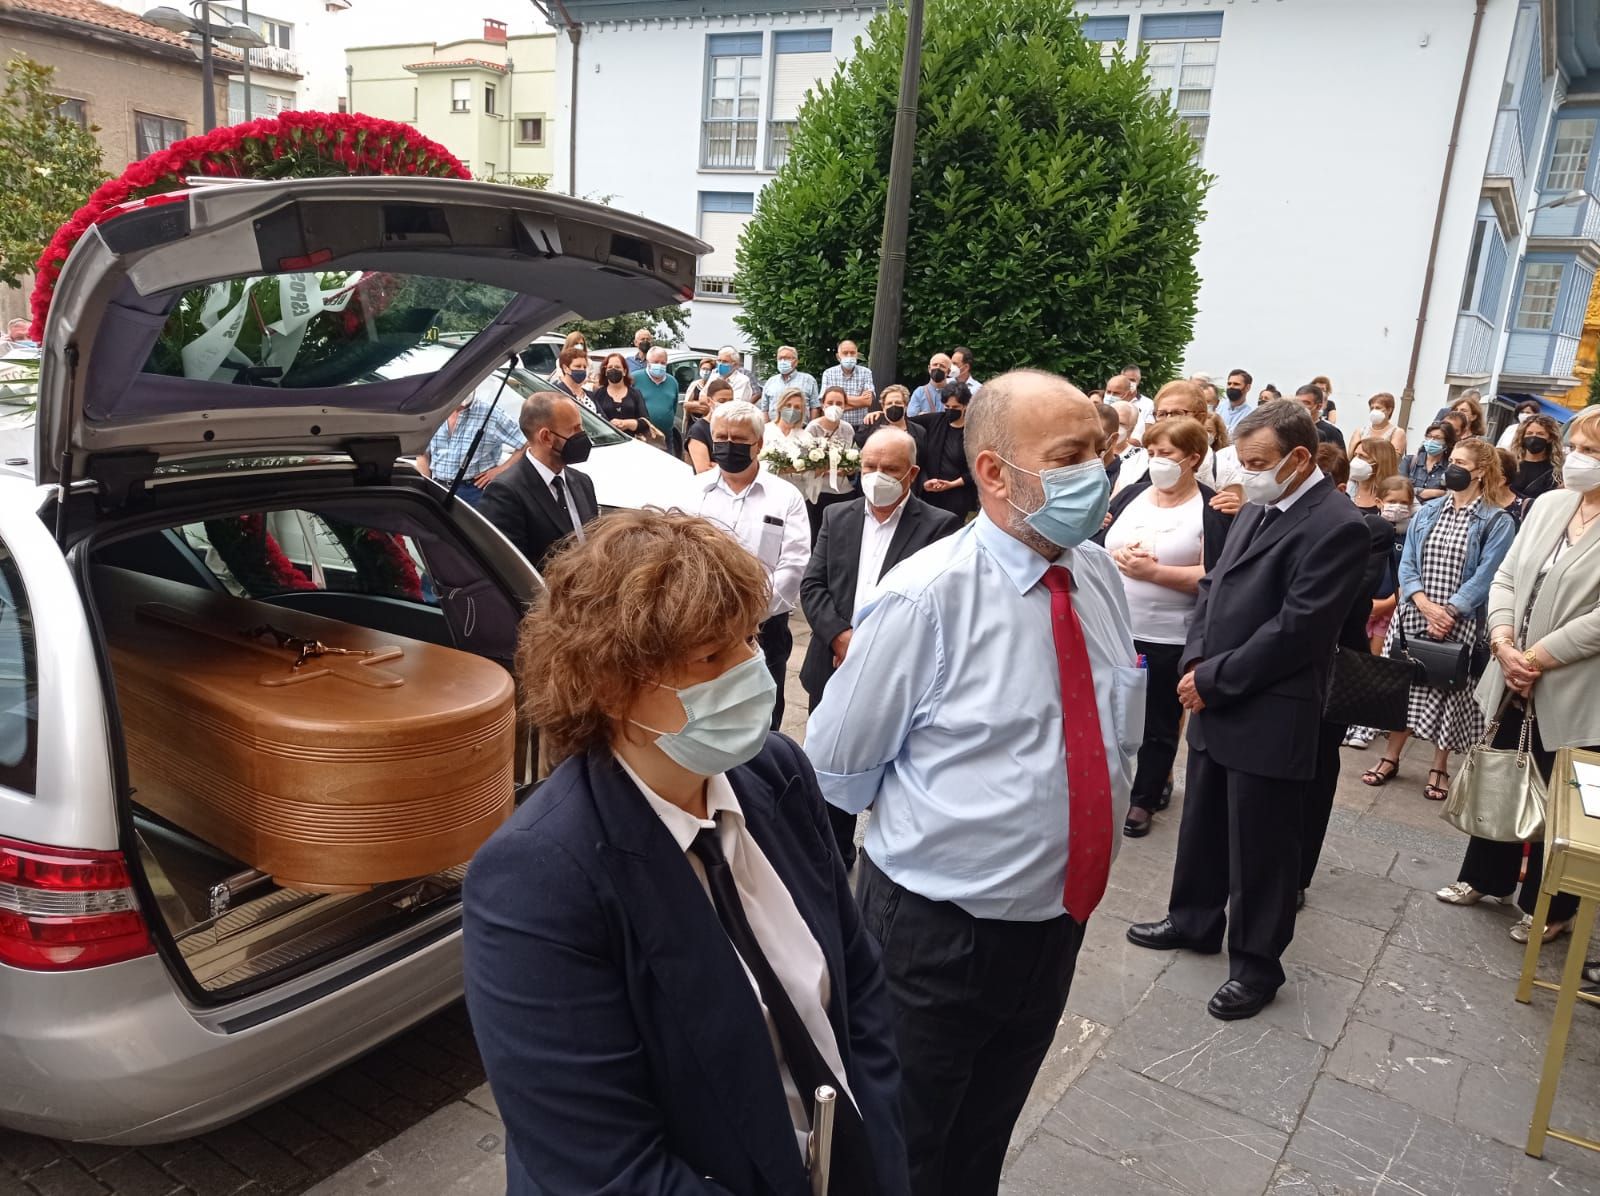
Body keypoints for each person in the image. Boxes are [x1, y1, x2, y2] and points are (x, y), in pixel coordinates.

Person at [464, 510, 911, 1196]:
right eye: (711, 656)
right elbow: (603, 1167)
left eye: (748, 639)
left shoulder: (776, 772)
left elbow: (856, 983)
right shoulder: (540, 877)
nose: (750, 668)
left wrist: (876, 1149)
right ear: (611, 685)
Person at [806, 370, 1143, 1196]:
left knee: (979, 1146)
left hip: (1053, 927)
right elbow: (840, 767)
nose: (1094, 475)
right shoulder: (924, 599)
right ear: (993, 472)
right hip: (932, 939)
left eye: (1098, 453)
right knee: (900, 1156)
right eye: (1068, 458)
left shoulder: (1095, 576)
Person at [1127, 402, 1369, 1021]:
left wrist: (1215, 679)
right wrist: (1194, 662)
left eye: (1259, 464)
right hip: (1212, 689)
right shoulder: (1261, 503)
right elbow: (1216, 586)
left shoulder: (1337, 524)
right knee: (1203, 819)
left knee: (1262, 845)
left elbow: (1299, 630)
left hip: (1269, 706)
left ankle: (1258, 964)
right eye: (1244, 462)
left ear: (1298, 458)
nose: (1249, 475)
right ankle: (1194, 919)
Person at [1438, 406, 1600, 945]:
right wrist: (1504, 643)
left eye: (1593, 452)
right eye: (1575, 446)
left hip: (1572, 688)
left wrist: (1537, 658)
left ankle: (1552, 906)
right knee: (1503, 772)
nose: (1578, 459)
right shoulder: (1552, 504)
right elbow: (1507, 576)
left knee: (1559, 796)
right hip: (1512, 669)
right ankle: (1484, 877)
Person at [799, 428, 959, 867]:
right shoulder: (838, 516)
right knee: (829, 762)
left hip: (896, 670)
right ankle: (832, 851)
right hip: (833, 662)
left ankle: (887, 852)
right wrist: (840, 636)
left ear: (911, 474)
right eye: (869, 466)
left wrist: (871, 645)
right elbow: (813, 585)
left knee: (889, 761)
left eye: (889, 469)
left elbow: (938, 601)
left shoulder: (939, 526)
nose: (876, 476)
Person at [1097, 416, 1232, 839]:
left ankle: (1143, 797)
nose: (1157, 462)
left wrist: (1154, 572)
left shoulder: (1210, 507)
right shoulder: (1134, 492)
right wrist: (1117, 552)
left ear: (1192, 458)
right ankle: (1102, 787)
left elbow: (1216, 574)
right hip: (1112, 625)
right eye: (1152, 453)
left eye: (1167, 454)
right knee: (1103, 713)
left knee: (1157, 721)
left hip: (1168, 634)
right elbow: (1101, 541)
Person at [1361, 438, 1517, 801]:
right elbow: (1408, 561)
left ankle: (1439, 766)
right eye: (1453, 460)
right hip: (1414, 612)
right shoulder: (1428, 510)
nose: (1453, 468)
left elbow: (1488, 574)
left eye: (1462, 462)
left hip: (1459, 620)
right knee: (1403, 685)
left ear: (1480, 471)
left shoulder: (1496, 520)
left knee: (1449, 689)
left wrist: (1448, 611)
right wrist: (1422, 603)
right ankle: (1390, 757)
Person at [678, 401, 811, 731]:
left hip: (764, 627)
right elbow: (675, 553)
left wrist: (750, 615)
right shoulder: (692, 492)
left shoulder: (784, 496)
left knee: (763, 716)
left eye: (739, 439)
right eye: (721, 437)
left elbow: (793, 563)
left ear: (759, 444)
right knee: (703, 713)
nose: (728, 446)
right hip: (700, 624)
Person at [1302, 447, 1396, 894]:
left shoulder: (1367, 529)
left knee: (1317, 771)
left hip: (1332, 668)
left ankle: (1298, 874)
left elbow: (1351, 594)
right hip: (1281, 674)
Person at [478, 393, 599, 572]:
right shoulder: (506, 492)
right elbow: (511, 570)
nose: (582, 436)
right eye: (575, 429)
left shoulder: (582, 482)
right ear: (546, 437)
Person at [415, 375, 526, 506]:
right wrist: (425, 486)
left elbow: (526, 444)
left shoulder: (491, 414)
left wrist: (501, 470)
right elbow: (422, 453)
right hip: (437, 487)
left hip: (473, 491)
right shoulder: (433, 413)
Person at [907, 382, 975, 522]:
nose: (950, 410)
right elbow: (904, 422)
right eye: (947, 407)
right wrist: (879, 414)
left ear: (966, 405)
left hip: (958, 495)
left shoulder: (974, 431)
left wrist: (953, 484)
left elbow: (975, 468)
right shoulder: (935, 420)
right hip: (930, 492)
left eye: (955, 407)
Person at [805, 387, 860, 537]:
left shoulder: (847, 429)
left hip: (843, 491)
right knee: (816, 534)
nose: (834, 406)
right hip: (819, 491)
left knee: (840, 535)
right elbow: (807, 461)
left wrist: (850, 469)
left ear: (844, 406)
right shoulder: (813, 428)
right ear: (823, 404)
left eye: (839, 403)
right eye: (830, 402)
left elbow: (852, 456)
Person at [862, 384, 926, 466]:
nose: (893, 406)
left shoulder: (919, 432)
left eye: (898, 403)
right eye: (889, 403)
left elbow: (922, 462)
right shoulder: (870, 425)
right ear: (883, 407)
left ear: (905, 405)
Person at [635, 346, 682, 455]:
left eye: (663, 363)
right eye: (656, 362)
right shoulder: (635, 378)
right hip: (642, 439)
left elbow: (673, 408)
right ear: (648, 362)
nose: (659, 365)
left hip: (666, 439)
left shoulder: (672, 382)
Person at [820, 340, 876, 430]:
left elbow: (867, 402)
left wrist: (838, 403)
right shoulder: (828, 373)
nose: (849, 356)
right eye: (845, 353)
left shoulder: (866, 372)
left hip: (860, 426)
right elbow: (825, 401)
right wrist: (859, 400)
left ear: (857, 355)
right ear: (838, 356)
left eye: (852, 353)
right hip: (835, 425)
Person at [592, 352, 648, 439]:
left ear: (624, 371)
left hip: (632, 443)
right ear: (606, 372)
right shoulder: (598, 394)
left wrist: (627, 424)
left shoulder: (635, 394)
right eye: (610, 367)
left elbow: (645, 422)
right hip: (606, 443)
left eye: (617, 367)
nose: (613, 370)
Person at [1509, 413, 1564, 502]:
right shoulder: (1510, 464)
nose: (1534, 437)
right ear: (1522, 436)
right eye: (1529, 433)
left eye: (1540, 434)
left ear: (1550, 438)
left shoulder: (1557, 470)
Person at [686, 376, 734, 473]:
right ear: (709, 401)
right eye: (722, 401)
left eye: (730, 400)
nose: (727, 404)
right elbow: (703, 469)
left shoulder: (734, 426)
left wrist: (717, 466)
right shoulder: (699, 430)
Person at [759, 345, 817, 418]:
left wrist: (810, 428)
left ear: (796, 362)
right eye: (780, 358)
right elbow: (764, 409)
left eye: (787, 358)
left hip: (801, 427)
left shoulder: (808, 380)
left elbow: (814, 407)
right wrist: (767, 428)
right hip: (774, 427)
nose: (783, 361)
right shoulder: (771, 381)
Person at [1405, 421, 1456, 500]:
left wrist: (1442, 493)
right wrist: (1420, 491)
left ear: (1447, 442)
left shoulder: (1450, 467)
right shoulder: (1409, 461)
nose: (1431, 441)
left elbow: (1452, 495)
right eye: (1429, 436)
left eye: (1437, 438)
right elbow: (1398, 488)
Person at [1350, 391, 1407, 459]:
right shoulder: (1360, 431)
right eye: (1372, 408)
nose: (1374, 411)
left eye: (1378, 408)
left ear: (1389, 410)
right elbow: (1350, 455)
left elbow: (1393, 459)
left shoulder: (1397, 432)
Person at [1110, 400, 1148, 493]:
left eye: (1121, 424)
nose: (1115, 426)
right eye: (1113, 421)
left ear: (1132, 428)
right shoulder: (1091, 451)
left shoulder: (1140, 457)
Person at [550, 345, 598, 413]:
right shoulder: (557, 394)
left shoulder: (590, 395)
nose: (582, 370)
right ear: (566, 368)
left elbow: (604, 420)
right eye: (578, 366)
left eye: (584, 367)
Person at [1296, 383, 1345, 449]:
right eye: (1297, 403)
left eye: (1306, 403)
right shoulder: (1290, 428)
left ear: (1319, 406)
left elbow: (1339, 458)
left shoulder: (1331, 432)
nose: (1301, 407)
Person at [907, 353, 955, 417]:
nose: (938, 367)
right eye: (935, 365)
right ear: (929, 368)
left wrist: (924, 416)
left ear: (948, 372)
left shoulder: (954, 393)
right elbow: (911, 417)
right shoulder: (919, 392)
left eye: (942, 366)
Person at [683, 355, 719, 428]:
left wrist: (693, 405)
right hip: (692, 422)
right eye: (703, 369)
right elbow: (686, 405)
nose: (705, 372)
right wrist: (700, 406)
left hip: (709, 424)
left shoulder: (715, 386)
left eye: (708, 369)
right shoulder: (694, 385)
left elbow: (710, 408)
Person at [1219, 368, 1255, 436]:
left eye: (1236, 384)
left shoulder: (1251, 415)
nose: (1231, 387)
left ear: (1247, 387)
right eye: (1229, 384)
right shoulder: (1218, 408)